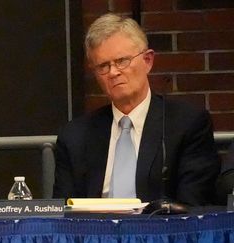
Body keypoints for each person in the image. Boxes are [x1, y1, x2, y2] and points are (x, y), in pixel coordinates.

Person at [54, 14, 221, 205]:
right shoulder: (75, 136)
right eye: (103, 66)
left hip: (159, 224)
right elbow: (61, 212)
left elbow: (192, 205)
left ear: (147, 60)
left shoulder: (186, 124)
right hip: (94, 225)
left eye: (121, 61)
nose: (113, 72)